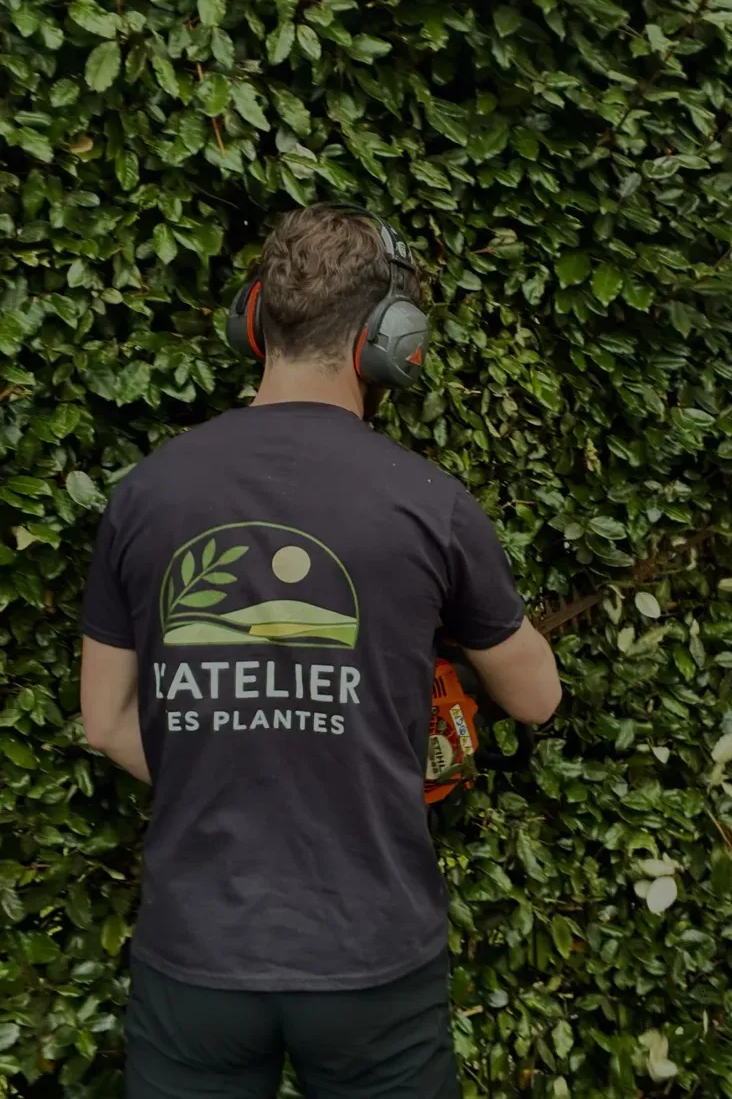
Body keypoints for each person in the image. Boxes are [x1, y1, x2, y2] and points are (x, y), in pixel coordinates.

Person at [79, 203, 562, 1099]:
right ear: (390, 342)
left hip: (195, 956)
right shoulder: (431, 503)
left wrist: (223, 759)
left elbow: (104, 722)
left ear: (254, 319)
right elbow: (535, 697)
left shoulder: (145, 494)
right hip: (373, 959)